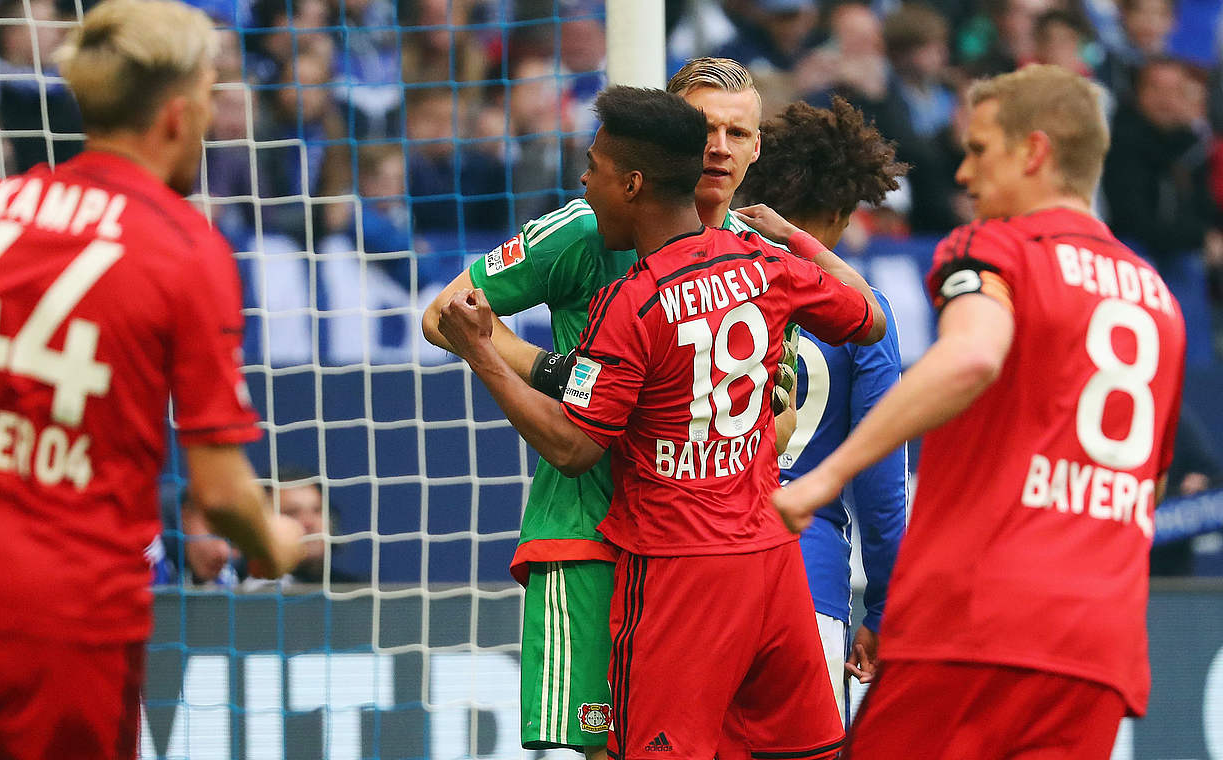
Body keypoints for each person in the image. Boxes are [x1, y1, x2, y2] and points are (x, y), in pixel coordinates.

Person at [0, 1, 304, 756]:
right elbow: (222, 494)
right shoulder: (183, 249)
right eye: (207, 93)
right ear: (174, 113)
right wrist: (280, 541)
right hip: (69, 605)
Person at [438, 85, 888, 760]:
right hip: (770, 559)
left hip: (677, 564)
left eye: (592, 168)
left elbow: (574, 446)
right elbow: (871, 317)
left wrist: (485, 356)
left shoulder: (634, 304)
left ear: (632, 183)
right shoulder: (767, 265)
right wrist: (796, 239)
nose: (583, 182)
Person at [774, 64, 1187, 758]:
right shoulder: (1160, 300)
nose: (962, 175)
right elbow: (1153, 484)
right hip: (1099, 649)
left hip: (976, 624)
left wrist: (824, 477)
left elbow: (972, 355)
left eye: (980, 149)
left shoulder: (996, 246)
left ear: (1034, 152)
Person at [736, 97, 909, 721]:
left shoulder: (689, 285)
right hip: (806, 581)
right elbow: (881, 487)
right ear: (837, 214)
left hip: (690, 577)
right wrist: (886, 610)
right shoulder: (863, 314)